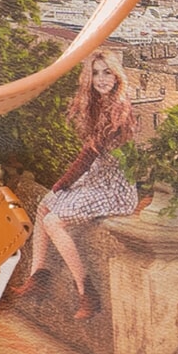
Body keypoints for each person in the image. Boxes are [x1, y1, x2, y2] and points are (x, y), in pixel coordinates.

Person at [10, 50, 138, 319]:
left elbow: (89, 155)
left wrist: (62, 183)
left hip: (114, 187)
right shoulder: (96, 105)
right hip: (96, 178)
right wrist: (61, 187)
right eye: (96, 73)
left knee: (54, 221)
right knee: (44, 206)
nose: (101, 79)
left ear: (117, 76)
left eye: (107, 72)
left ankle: (86, 292)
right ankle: (38, 278)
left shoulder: (119, 108)